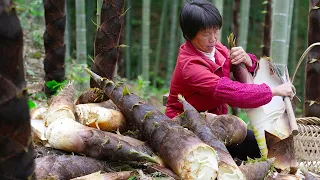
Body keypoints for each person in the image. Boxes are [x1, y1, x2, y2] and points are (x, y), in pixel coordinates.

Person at [165, 0, 294, 161]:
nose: (213, 39)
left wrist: (249, 60)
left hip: (217, 124)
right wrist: (274, 91)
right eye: (206, 34)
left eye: (216, 31)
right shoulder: (190, 66)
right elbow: (232, 92)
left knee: (266, 149)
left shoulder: (215, 48)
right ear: (189, 35)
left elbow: (239, 72)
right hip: (188, 128)